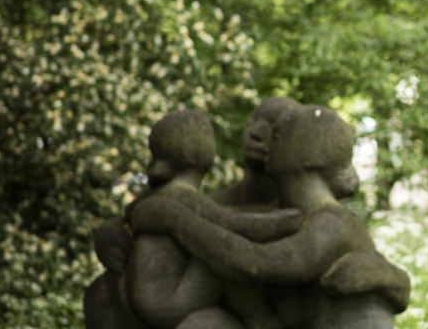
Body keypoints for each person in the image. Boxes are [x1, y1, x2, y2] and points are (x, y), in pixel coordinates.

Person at [127, 105, 410, 329]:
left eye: (279, 135)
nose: (265, 140)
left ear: (310, 155)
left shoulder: (332, 224)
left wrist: (172, 217)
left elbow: (255, 265)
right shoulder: (309, 219)